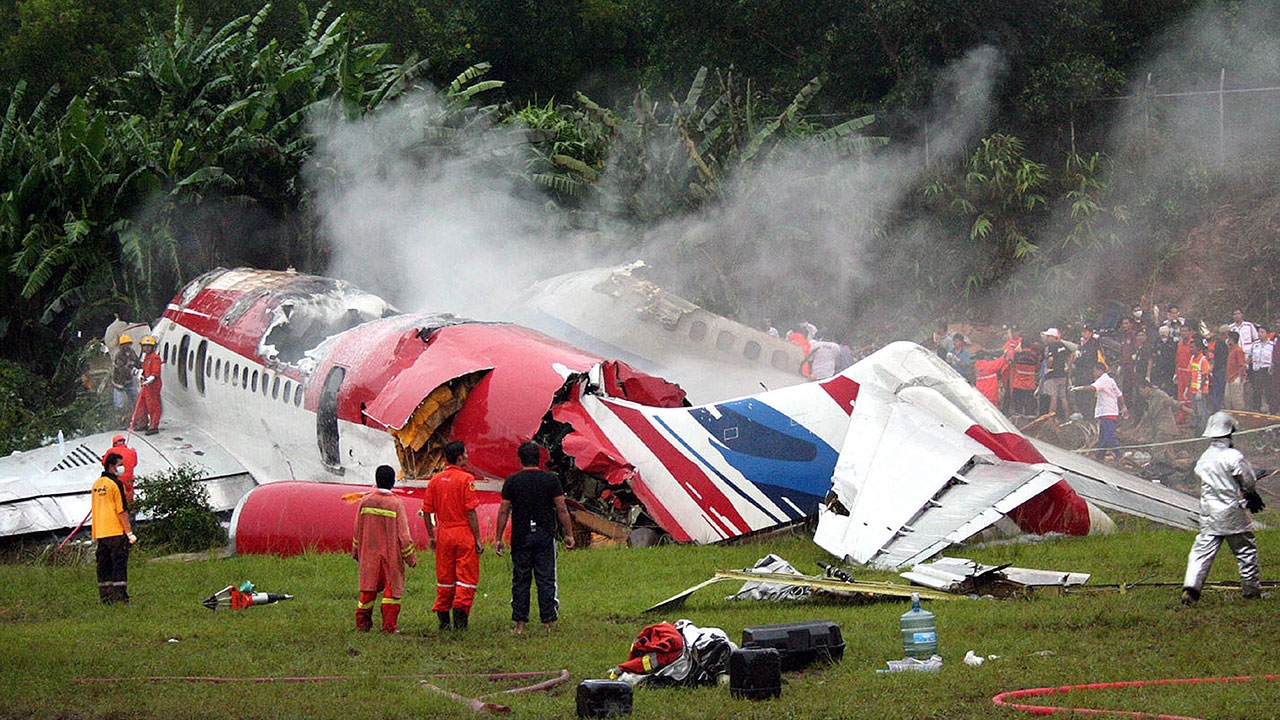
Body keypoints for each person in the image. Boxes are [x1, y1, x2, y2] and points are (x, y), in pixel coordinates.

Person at [494, 442, 576, 634]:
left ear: (520, 459)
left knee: (520, 578)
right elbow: (562, 509)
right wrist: (569, 534)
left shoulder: (512, 481)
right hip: (544, 535)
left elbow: (504, 510)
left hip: (521, 536)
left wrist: (498, 537)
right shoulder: (551, 480)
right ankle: (548, 623)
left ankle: (520, 624)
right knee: (546, 577)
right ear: (539, 459)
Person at [1181, 411, 1263, 605]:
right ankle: (1252, 591)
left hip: (1210, 513)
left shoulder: (1204, 457)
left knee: (1201, 552)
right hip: (1233, 512)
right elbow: (1248, 481)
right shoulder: (1233, 455)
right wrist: (1251, 493)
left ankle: (1191, 589)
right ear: (1230, 432)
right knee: (1246, 551)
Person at [421, 440, 483, 631]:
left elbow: (426, 511)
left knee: (445, 578)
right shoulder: (466, 480)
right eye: (465, 453)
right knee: (466, 577)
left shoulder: (435, 480)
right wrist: (478, 539)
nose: (467, 456)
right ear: (459, 457)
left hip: (444, 534)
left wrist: (431, 536)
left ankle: (444, 620)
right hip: (463, 533)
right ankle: (460, 616)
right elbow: (471, 512)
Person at [352, 465, 417, 633]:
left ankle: (362, 623)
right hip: (390, 556)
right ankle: (389, 626)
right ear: (393, 482)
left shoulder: (365, 501)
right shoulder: (395, 504)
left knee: (368, 589)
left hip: (369, 555)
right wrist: (411, 559)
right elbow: (404, 536)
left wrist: (356, 552)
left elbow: (357, 529)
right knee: (391, 591)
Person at [92, 452, 137, 604]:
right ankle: (121, 599)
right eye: (120, 465)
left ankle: (106, 599)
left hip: (101, 533)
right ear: (112, 466)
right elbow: (121, 510)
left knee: (104, 568)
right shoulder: (116, 484)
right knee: (118, 566)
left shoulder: (97, 484)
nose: (122, 468)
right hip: (116, 532)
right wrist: (129, 532)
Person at [1073, 361, 1127, 462]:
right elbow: (1119, 394)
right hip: (1110, 410)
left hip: (1107, 411)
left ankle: (1119, 455)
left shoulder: (1103, 379)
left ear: (1099, 370)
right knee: (1103, 435)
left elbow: (1092, 387)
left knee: (1108, 435)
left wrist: (1079, 388)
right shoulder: (1111, 380)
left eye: (1094, 371)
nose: (1093, 373)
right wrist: (1123, 407)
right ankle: (1100, 455)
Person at [110, 335, 141, 426]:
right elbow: (122, 369)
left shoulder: (132, 353)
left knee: (136, 399)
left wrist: (141, 368)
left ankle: (136, 418)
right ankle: (119, 421)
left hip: (129, 382)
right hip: (119, 384)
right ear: (121, 346)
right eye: (124, 344)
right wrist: (133, 371)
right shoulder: (118, 356)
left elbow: (137, 363)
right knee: (120, 404)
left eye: (127, 344)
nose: (126, 346)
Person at [1042, 328, 1072, 421]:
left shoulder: (1052, 346)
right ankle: (1067, 417)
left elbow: (1051, 359)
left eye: (1048, 336)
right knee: (1063, 397)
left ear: (1052, 337)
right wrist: (1068, 365)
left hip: (1053, 375)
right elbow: (1072, 355)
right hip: (1062, 374)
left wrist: (1048, 368)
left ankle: (1051, 418)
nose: (1047, 338)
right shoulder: (1062, 345)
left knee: (1053, 397)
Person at [101, 434, 139, 504]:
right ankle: (130, 510)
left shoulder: (110, 451)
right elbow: (135, 463)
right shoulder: (132, 452)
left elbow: (104, 463)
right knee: (129, 494)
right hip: (128, 478)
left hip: (115, 478)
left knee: (116, 496)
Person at [137, 335, 163, 435]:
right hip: (145, 385)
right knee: (141, 404)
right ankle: (143, 423)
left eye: (148, 346)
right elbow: (145, 370)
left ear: (153, 347)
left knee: (153, 406)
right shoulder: (146, 358)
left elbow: (155, 373)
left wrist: (149, 380)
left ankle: (153, 426)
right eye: (145, 346)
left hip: (153, 386)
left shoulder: (155, 358)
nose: (146, 348)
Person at [1224, 330, 1247, 411]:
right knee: (1227, 398)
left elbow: (1242, 365)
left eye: (1229, 339)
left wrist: (1239, 377)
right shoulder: (1231, 350)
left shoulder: (1238, 350)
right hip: (1229, 378)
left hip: (1236, 378)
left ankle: (1239, 416)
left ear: (1233, 340)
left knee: (1236, 400)